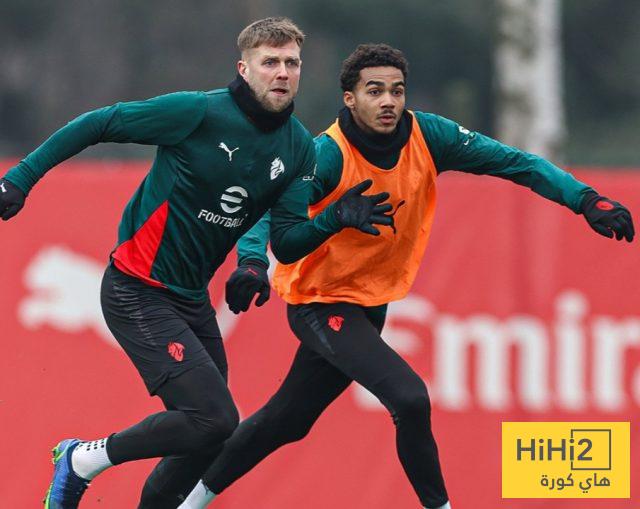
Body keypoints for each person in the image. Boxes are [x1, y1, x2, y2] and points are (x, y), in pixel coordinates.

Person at [176, 44, 635, 509]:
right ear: (350, 99)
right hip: (320, 301)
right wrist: (251, 262)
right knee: (410, 397)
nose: (388, 101)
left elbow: (517, 162)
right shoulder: (326, 155)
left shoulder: (429, 136)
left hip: (370, 304)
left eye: (396, 91)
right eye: (374, 91)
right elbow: (267, 206)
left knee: (286, 422)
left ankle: (188, 502)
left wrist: (585, 199)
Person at [0, 19, 393, 509]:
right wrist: (21, 178)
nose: (283, 73)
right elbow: (99, 122)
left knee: (208, 436)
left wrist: (327, 223)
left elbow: (288, 241)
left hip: (190, 301)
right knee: (215, 419)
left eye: (292, 63)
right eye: (270, 62)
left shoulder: (298, 148)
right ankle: (80, 459)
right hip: (135, 288)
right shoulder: (198, 112)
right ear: (244, 68)